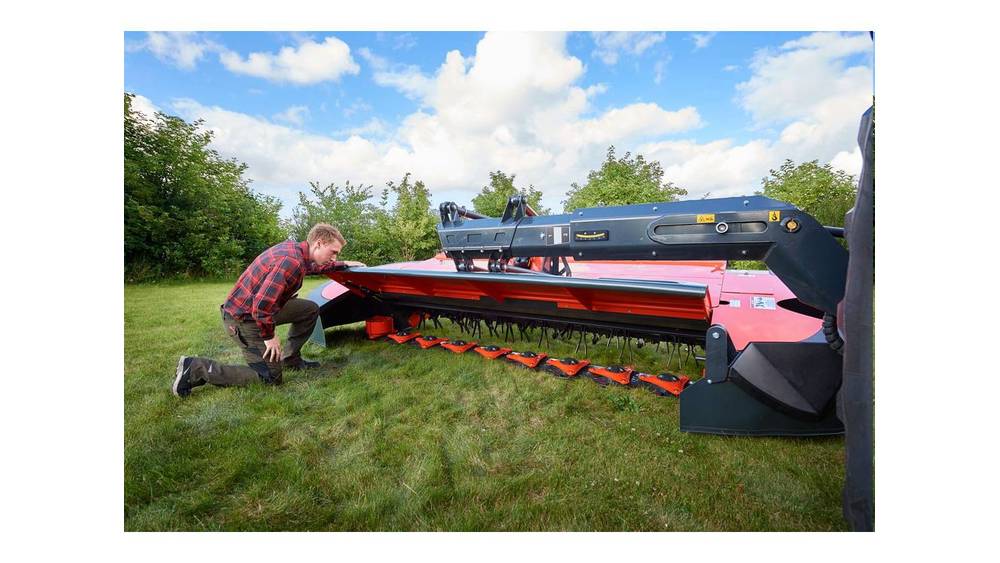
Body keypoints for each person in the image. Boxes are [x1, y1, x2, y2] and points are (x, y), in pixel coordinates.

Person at [172, 224, 363, 397]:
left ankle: (290, 359)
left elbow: (312, 267)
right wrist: (270, 337)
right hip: (244, 319)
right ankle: (196, 368)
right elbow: (261, 306)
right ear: (319, 243)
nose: (334, 257)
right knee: (270, 377)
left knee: (309, 309)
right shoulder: (291, 261)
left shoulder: (296, 252)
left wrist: (343, 264)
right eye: (333, 252)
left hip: (258, 310)